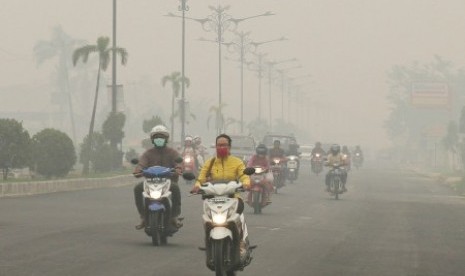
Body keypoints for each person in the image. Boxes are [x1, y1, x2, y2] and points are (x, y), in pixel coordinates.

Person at [191, 134, 251, 258]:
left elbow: (244, 175)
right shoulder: (210, 162)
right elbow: (201, 178)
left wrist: (246, 183)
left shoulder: (237, 162)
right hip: (213, 199)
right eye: (219, 145)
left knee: (238, 215)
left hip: (233, 198)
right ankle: (209, 241)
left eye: (224, 145)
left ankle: (240, 243)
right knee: (207, 218)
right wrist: (197, 186)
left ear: (229, 147)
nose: (221, 147)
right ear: (215, 147)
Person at [133, 125, 183, 230]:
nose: (159, 139)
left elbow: (178, 163)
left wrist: (178, 168)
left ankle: (174, 216)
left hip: (168, 182)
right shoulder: (148, 153)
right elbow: (141, 164)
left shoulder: (172, 152)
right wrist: (138, 170)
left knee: (176, 188)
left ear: (166, 139)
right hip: (150, 182)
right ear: (152, 140)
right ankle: (143, 216)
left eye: (162, 137)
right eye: (156, 137)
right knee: (137, 188)